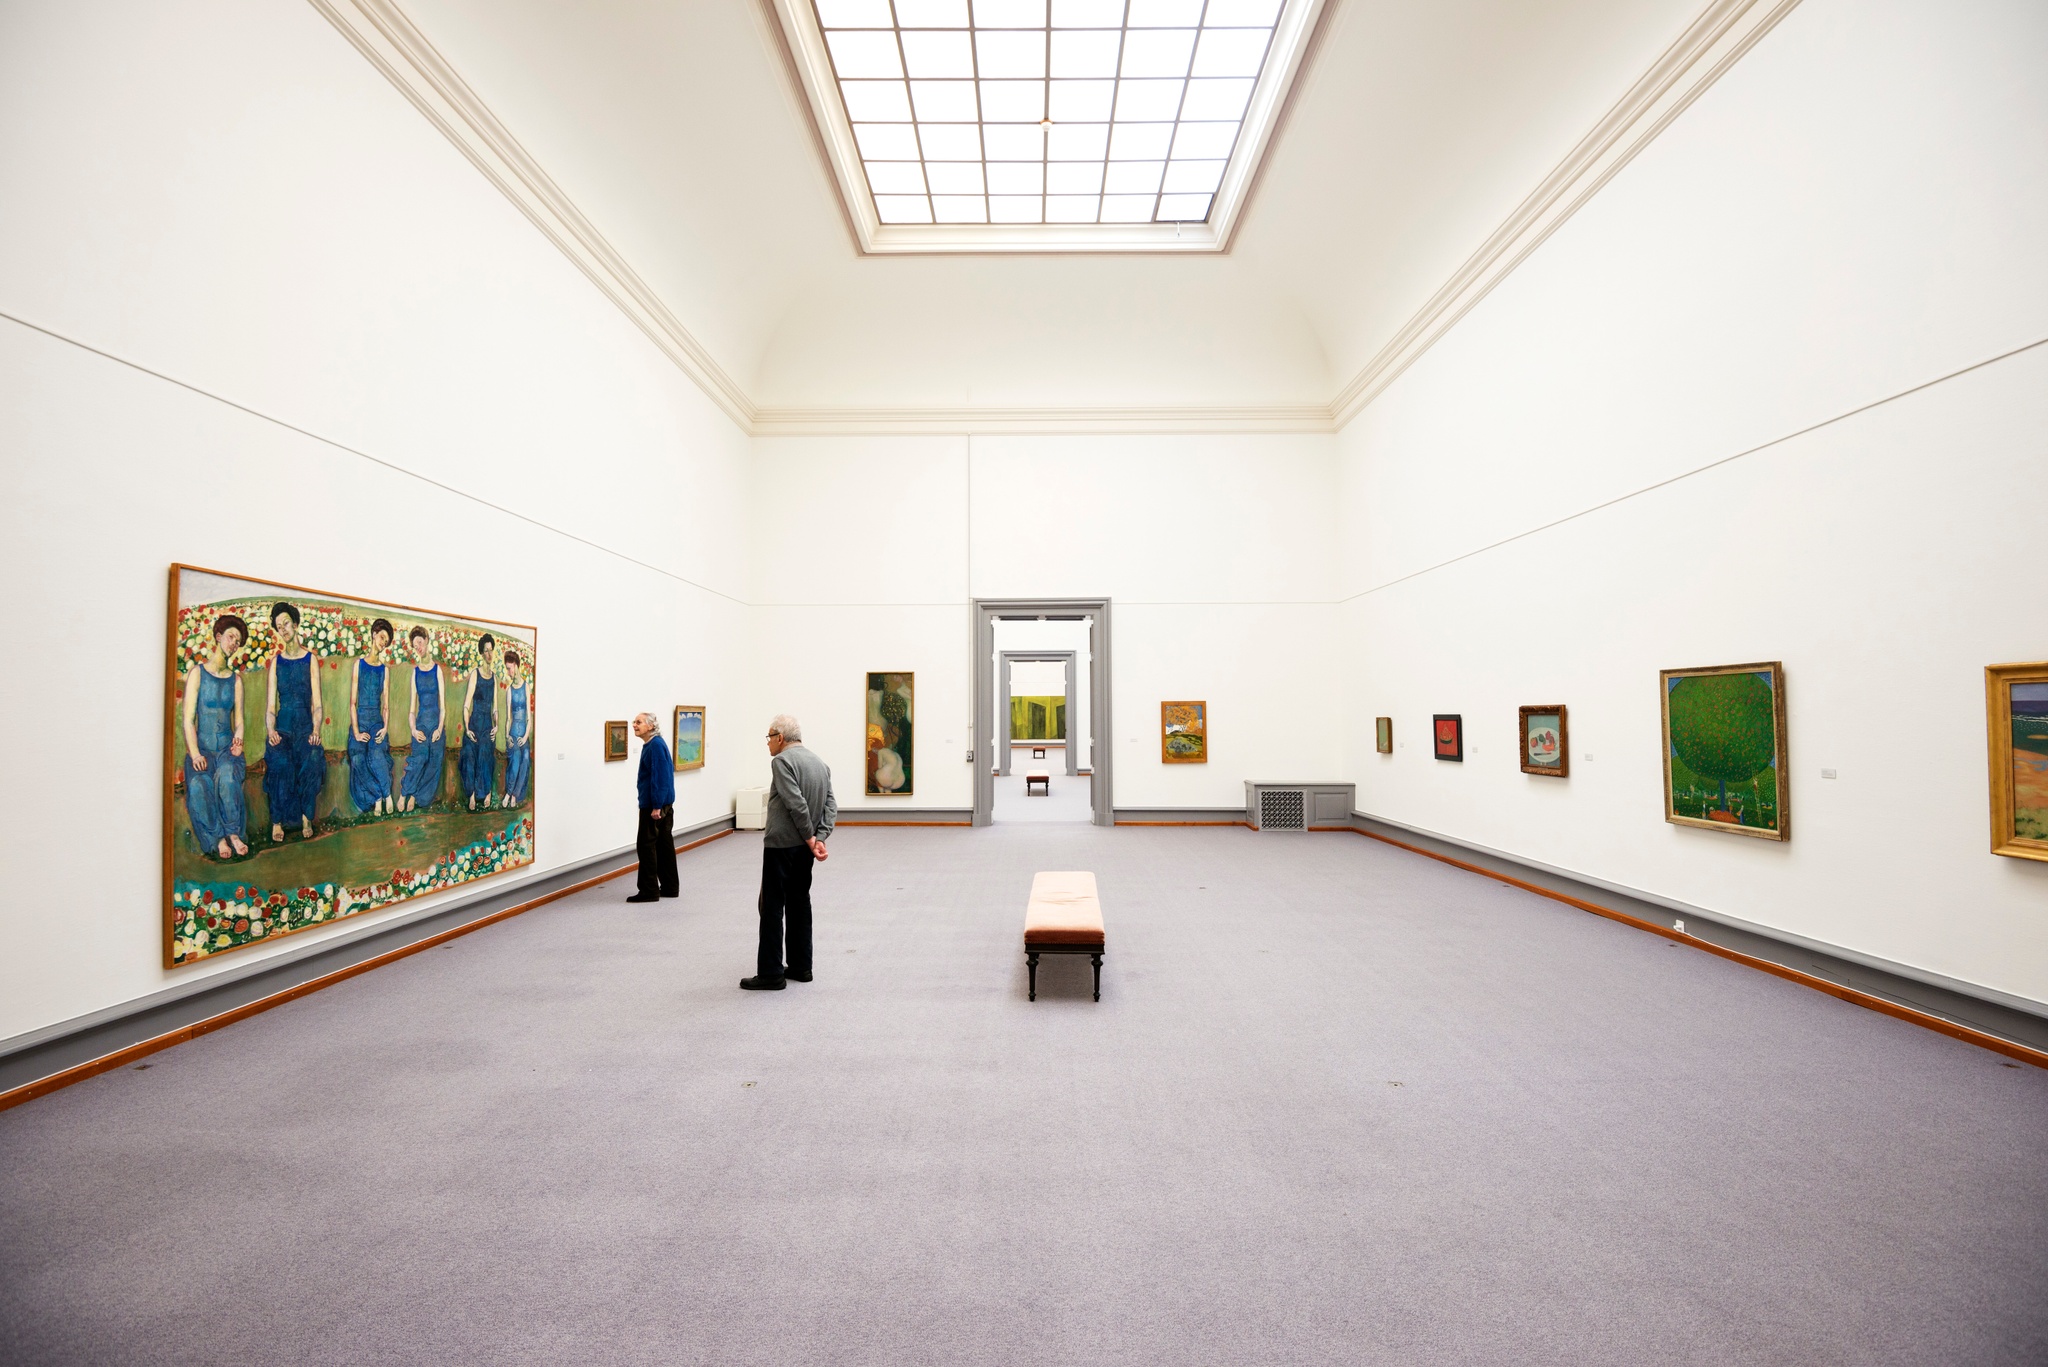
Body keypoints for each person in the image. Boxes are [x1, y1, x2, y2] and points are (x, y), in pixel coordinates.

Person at [743, 714, 835, 992]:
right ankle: (800, 966)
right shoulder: (819, 762)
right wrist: (820, 837)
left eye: (769, 737)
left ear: (780, 737)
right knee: (799, 902)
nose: (768, 743)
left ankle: (771, 973)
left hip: (782, 845)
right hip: (804, 849)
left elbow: (795, 803)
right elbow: (831, 804)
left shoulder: (781, 762)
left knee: (771, 907)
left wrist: (810, 837)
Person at [182, 613, 249, 859]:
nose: (234, 643)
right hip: (201, 750)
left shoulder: (236, 681)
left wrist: (238, 742)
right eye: (231, 637)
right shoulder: (198, 674)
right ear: (218, 636)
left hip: (226, 751)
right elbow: (188, 720)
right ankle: (217, 838)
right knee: (200, 784)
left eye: (238, 641)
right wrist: (195, 753)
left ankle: (233, 833)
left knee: (228, 774)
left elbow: (239, 721)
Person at [263, 601, 324, 843]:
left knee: (312, 758)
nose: (284, 629)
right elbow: (270, 708)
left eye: (286, 623)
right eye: (279, 627)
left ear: (296, 624)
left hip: (306, 727)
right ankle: (277, 820)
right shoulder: (276, 662)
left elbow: (317, 705)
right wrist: (270, 730)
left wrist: (316, 729)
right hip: (283, 728)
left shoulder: (310, 660)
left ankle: (306, 815)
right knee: (279, 762)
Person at [347, 618, 395, 816]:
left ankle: (388, 796)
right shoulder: (359, 665)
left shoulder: (384, 669)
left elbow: (386, 705)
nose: (383, 642)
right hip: (360, 722)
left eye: (387, 640)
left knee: (375, 755)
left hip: (376, 722)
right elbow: (352, 703)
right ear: (374, 634)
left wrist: (384, 727)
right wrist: (357, 732)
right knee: (357, 759)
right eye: (382, 637)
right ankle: (378, 796)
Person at [627, 711, 676, 903]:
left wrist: (656, 805)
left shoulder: (655, 745)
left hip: (654, 805)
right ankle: (670, 887)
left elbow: (660, 776)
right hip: (661, 803)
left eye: (638, 722)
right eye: (634, 722)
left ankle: (649, 890)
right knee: (664, 846)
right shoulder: (653, 744)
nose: (634, 725)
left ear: (651, 726)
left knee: (646, 846)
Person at [398, 626, 446, 811]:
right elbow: (412, 709)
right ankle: (404, 793)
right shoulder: (415, 672)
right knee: (419, 757)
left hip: (436, 725)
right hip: (421, 724)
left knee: (435, 760)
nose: (417, 646)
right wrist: (413, 729)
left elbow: (443, 707)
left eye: (419, 642)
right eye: (414, 644)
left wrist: (440, 729)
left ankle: (416, 796)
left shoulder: (437, 671)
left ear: (426, 640)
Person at [459, 634, 498, 810]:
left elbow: (495, 708)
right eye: (486, 651)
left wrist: (496, 726)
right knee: (468, 752)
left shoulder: (495, 678)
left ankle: (487, 792)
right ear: (482, 653)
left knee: (486, 752)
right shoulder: (475, 674)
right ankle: (472, 795)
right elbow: (467, 705)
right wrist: (467, 728)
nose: (489, 655)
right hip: (474, 723)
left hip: (488, 725)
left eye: (491, 651)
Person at [500, 649, 533, 807]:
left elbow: (529, 717)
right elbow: (508, 718)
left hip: (524, 734)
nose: (508, 671)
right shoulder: (509, 691)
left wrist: (526, 736)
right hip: (513, 732)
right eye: (507, 668)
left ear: (517, 666)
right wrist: (507, 737)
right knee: (515, 761)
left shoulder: (526, 687)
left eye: (510, 667)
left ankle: (514, 795)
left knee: (526, 760)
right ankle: (508, 793)